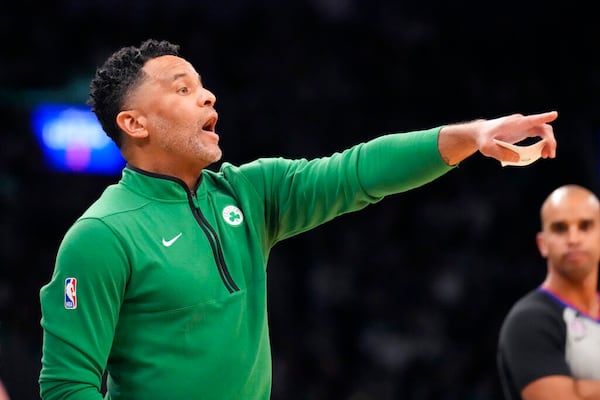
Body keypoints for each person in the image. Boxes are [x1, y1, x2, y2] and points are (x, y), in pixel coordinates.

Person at [38, 38, 558, 400]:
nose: (207, 95)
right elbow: (67, 385)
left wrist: (472, 136)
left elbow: (356, 172)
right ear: (134, 123)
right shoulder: (101, 235)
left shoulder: (251, 191)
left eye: (202, 85)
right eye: (181, 88)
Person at [497, 184, 600, 400]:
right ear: (542, 244)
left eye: (585, 226)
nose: (573, 239)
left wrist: (583, 390)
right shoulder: (528, 320)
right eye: (560, 228)